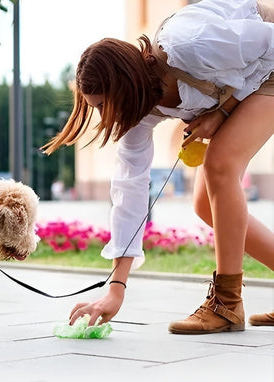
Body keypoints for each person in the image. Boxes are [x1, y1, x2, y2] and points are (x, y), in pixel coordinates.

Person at [42, 0, 274, 333]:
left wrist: (222, 112)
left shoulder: (189, 45)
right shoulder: (139, 109)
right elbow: (130, 189)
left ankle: (227, 304)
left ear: (125, 84)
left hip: (270, 60)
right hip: (247, 78)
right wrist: (115, 290)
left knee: (220, 164)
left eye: (104, 104)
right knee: (204, 205)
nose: (105, 115)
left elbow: (270, 43)